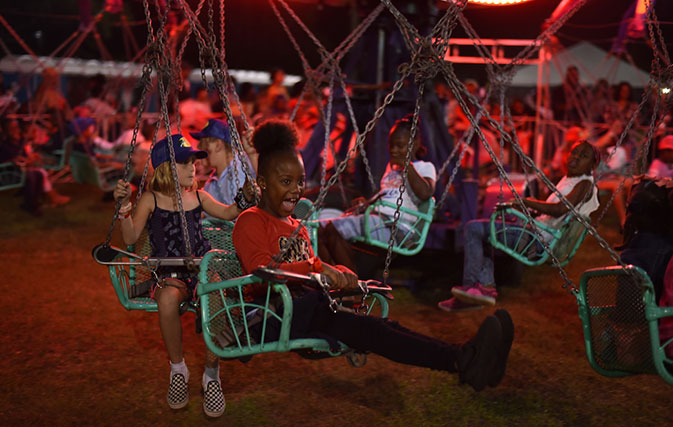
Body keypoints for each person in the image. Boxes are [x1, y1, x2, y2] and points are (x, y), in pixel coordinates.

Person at [232, 119, 514, 394]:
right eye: (285, 181)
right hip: (272, 316)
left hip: (308, 309)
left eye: (300, 181)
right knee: (371, 329)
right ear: (263, 183)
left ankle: (467, 359)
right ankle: (466, 358)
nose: (296, 189)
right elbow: (261, 275)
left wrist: (343, 275)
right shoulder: (252, 221)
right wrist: (318, 269)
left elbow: (311, 271)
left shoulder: (296, 226)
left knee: (379, 328)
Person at [112, 134, 255, 417]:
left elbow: (228, 213)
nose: (194, 168)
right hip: (170, 272)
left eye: (194, 161)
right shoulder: (151, 200)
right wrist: (124, 209)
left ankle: (212, 375)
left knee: (215, 295)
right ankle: (178, 370)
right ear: (166, 167)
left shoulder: (199, 197)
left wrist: (245, 197)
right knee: (167, 299)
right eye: (185, 162)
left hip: (202, 269)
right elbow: (129, 236)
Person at [440, 140, 601, 312]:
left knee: (474, 228)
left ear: (593, 165)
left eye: (583, 156)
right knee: (484, 234)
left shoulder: (584, 184)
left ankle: (472, 287)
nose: (576, 157)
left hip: (537, 243)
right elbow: (554, 214)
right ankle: (483, 288)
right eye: (574, 152)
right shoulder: (570, 180)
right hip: (536, 235)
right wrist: (530, 207)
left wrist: (525, 202)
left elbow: (560, 209)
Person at [318, 115, 437, 271]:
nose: (394, 150)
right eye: (391, 145)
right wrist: (367, 203)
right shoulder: (392, 169)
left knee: (332, 229)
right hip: (377, 220)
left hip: (396, 228)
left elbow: (426, 192)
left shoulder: (424, 167)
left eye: (400, 146)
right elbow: (388, 195)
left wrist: (407, 165)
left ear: (414, 144)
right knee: (319, 231)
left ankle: (350, 284)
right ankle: (336, 278)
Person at [192, 118, 257, 212]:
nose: (199, 147)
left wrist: (252, 154)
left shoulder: (245, 163)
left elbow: (266, 182)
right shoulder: (211, 184)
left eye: (203, 143)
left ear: (218, 145)